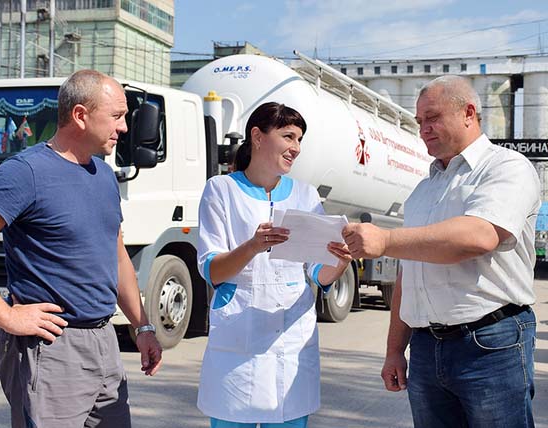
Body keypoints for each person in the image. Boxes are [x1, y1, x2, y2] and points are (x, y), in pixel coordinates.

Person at [0, 69, 163, 428]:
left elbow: (116, 256)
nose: (124, 127)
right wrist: (5, 316)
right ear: (80, 115)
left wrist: (142, 327)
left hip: (104, 343)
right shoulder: (26, 172)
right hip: (52, 349)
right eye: (116, 116)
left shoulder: (104, 176)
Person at [342, 75, 540, 428]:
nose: (423, 129)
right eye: (420, 121)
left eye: (432, 117)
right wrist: (394, 351)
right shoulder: (423, 190)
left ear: (468, 113)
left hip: (490, 344)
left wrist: (386, 240)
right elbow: (408, 275)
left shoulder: (506, 168)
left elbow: (478, 236)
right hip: (426, 348)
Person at [196, 102, 352, 428]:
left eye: (299, 140)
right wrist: (253, 246)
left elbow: (318, 273)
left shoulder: (306, 196)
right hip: (237, 344)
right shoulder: (221, 190)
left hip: (292, 342)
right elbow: (212, 270)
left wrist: (339, 261)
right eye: (288, 137)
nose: (296, 148)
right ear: (257, 136)